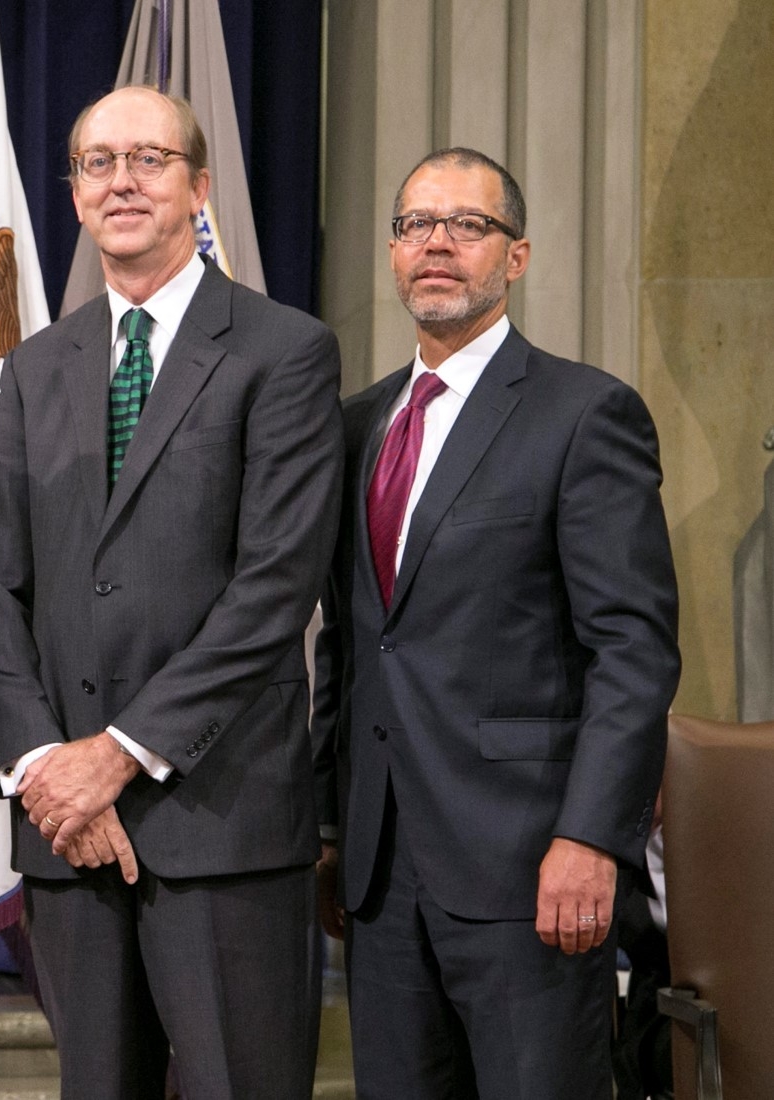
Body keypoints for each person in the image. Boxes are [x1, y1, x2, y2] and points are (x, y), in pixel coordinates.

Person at [0, 86, 345, 1099]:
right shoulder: (38, 364)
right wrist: (48, 763)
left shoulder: (284, 351)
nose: (121, 180)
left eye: (149, 158)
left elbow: (276, 588)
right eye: (97, 163)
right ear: (77, 195)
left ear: (199, 185)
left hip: (217, 821)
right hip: (67, 831)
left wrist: (119, 755)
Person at [310, 147, 680, 1099]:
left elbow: (633, 654)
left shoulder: (583, 413)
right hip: (383, 881)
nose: (437, 245)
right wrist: (326, 822)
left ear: (514, 257)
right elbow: (353, 646)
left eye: (467, 226)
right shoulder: (357, 426)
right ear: (393, 255)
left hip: (531, 873)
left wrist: (593, 838)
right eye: (414, 226)